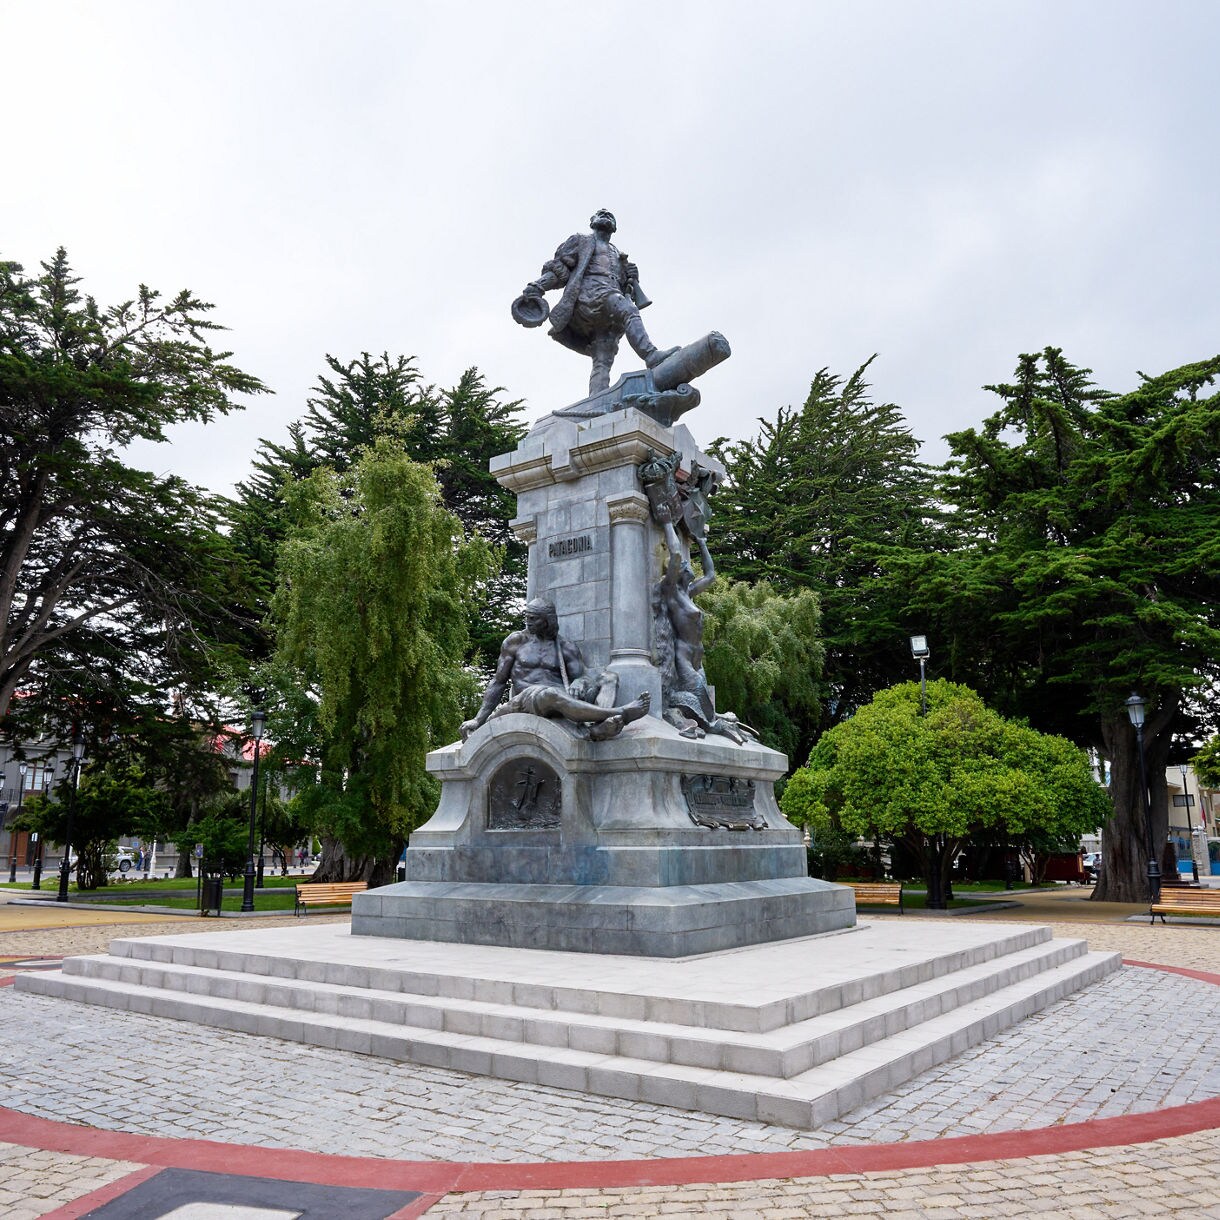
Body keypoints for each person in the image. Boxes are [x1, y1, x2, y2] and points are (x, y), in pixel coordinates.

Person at [515, 209, 677, 395]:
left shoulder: (618, 254)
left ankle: (596, 400)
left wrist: (631, 279)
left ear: (615, 227)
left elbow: (624, 289)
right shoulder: (581, 241)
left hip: (610, 305)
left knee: (603, 358)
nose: (606, 214)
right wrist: (538, 286)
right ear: (592, 221)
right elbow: (560, 270)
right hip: (590, 296)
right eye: (601, 213)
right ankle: (651, 355)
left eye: (610, 215)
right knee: (629, 310)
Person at [460, 598, 650, 741]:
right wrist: (478, 719)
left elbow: (583, 677)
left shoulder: (565, 647)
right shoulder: (516, 642)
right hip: (527, 700)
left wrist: (579, 681)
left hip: (561, 699)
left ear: (547, 621)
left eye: (534, 618)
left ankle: (599, 727)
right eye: (527, 617)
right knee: (550, 693)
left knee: (609, 677)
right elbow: (498, 682)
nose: (528, 622)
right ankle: (620, 713)